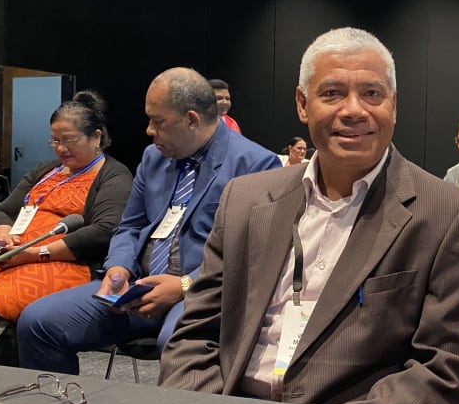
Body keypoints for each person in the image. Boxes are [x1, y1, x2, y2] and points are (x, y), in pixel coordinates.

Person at [158, 27, 459, 404]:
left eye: (372, 94)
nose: (353, 110)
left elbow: (443, 370)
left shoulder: (445, 215)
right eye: (331, 93)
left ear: (394, 105)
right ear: (302, 103)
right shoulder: (244, 200)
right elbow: (196, 334)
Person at [16, 67, 281, 374]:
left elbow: (251, 255)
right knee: (37, 322)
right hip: (135, 288)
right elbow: (129, 226)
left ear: (192, 120)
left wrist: (183, 285)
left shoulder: (256, 164)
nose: (149, 130)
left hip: (201, 293)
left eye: (158, 122)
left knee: (179, 343)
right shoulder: (154, 158)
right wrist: (118, 269)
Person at [0, 91, 132, 365]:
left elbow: (104, 231)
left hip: (65, 262)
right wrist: (5, 240)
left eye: (69, 140)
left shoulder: (113, 175)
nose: (61, 148)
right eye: (55, 140)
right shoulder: (45, 170)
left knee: (0, 299)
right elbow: (5, 211)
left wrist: (36, 253)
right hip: (14, 256)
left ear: (96, 137)